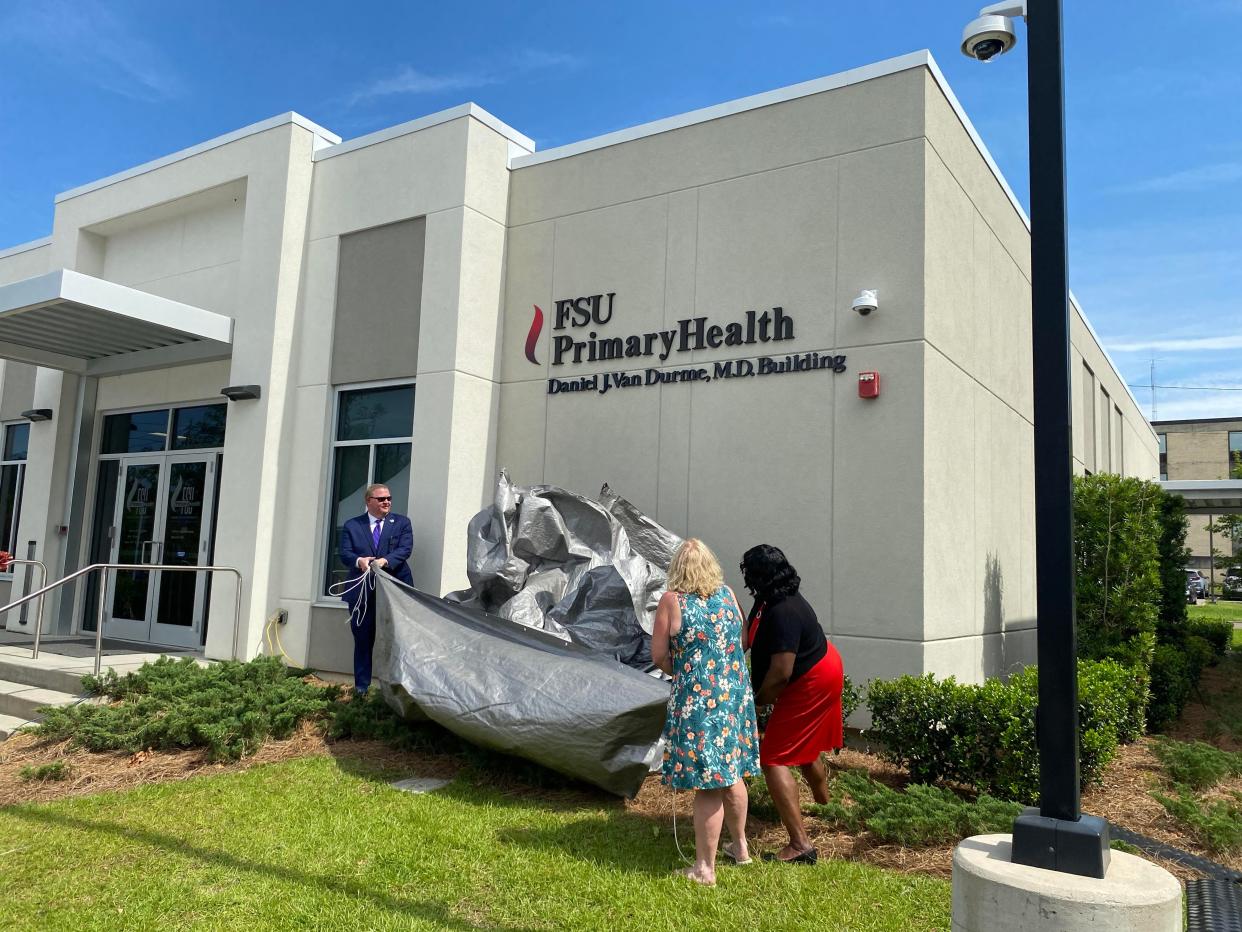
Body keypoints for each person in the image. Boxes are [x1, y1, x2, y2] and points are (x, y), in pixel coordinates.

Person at [653, 538, 760, 887]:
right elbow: (742, 640)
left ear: (677, 569)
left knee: (709, 784)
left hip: (700, 704)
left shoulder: (672, 601)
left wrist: (686, 669)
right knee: (731, 774)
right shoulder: (728, 595)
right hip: (733, 698)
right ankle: (741, 848)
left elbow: (658, 656)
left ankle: (704, 869)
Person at [740, 543, 844, 864]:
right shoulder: (767, 598)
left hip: (811, 680)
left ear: (758, 576)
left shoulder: (784, 611)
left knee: (773, 757)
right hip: (821, 668)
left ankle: (800, 845)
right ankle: (827, 804)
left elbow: (782, 673)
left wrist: (758, 702)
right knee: (802, 744)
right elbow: (748, 635)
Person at [339, 483, 414, 694]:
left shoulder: (401, 523)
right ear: (368, 501)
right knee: (363, 639)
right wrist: (359, 560)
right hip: (362, 593)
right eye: (381, 499)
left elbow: (405, 549)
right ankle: (361, 689)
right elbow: (345, 553)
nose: (387, 502)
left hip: (395, 591)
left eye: (389, 498)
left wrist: (385, 561)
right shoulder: (353, 525)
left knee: (399, 639)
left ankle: (398, 690)